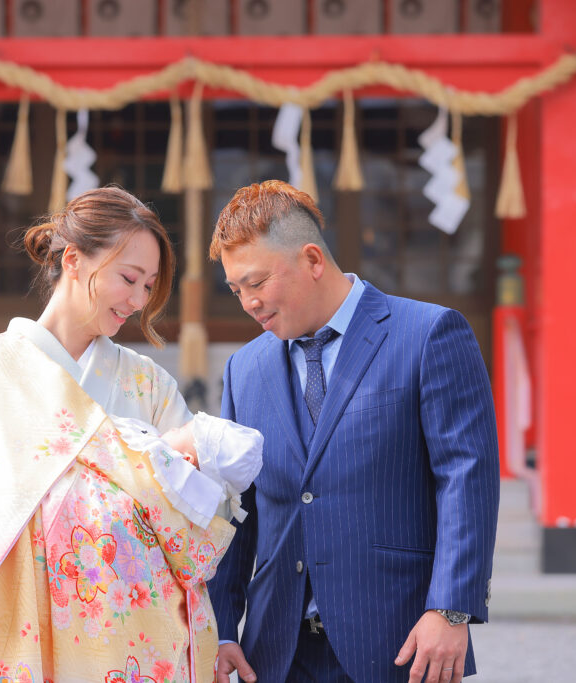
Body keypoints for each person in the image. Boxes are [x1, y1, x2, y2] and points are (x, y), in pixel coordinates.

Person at [0, 186, 262, 683]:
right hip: (31, 637)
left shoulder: (148, 385)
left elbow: (200, 516)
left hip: (137, 639)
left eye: (149, 286)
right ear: (73, 259)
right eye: (129, 279)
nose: (137, 301)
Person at [206, 180, 500, 683]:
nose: (247, 303)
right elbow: (237, 509)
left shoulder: (427, 334)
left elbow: (466, 477)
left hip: (402, 642)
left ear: (313, 260)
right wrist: (222, 629)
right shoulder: (244, 369)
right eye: (237, 290)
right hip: (276, 652)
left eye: (256, 283)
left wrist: (451, 610)